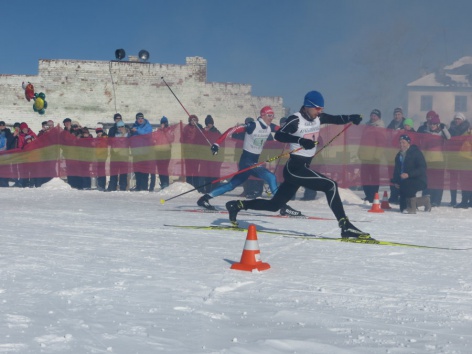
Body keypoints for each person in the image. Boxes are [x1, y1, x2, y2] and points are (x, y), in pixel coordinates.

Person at [225, 91, 369, 238]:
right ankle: (345, 226)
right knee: (330, 185)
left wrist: (352, 117)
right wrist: (300, 141)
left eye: (322, 109)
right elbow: (280, 135)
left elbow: (337, 119)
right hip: (294, 168)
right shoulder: (296, 119)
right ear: (307, 106)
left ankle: (236, 205)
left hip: (303, 168)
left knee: (275, 205)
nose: (320, 111)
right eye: (317, 108)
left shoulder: (318, 117)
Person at [197, 106, 301, 217]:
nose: (271, 118)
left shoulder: (269, 127)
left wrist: (301, 138)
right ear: (262, 115)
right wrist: (217, 144)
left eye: (273, 116)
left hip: (252, 161)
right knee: (271, 177)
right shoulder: (253, 125)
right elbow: (232, 129)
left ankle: (204, 199)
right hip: (247, 161)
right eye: (269, 115)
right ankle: (282, 206)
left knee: (231, 185)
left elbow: (283, 131)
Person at [391, 134, 431, 214]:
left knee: (408, 185)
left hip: (419, 179)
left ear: (408, 143)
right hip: (405, 181)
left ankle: (411, 209)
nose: (401, 145)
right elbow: (397, 170)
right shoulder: (398, 155)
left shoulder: (416, 153)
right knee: (402, 208)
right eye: (400, 142)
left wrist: (409, 174)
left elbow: (422, 168)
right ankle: (425, 200)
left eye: (404, 142)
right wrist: (395, 181)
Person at [419, 113, 451, 207]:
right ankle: (425, 199)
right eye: (431, 124)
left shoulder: (442, 133)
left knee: (438, 181)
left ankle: (436, 200)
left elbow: (449, 137)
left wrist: (443, 128)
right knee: (427, 181)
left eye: (434, 124)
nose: (432, 125)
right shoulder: (426, 133)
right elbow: (423, 146)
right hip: (428, 160)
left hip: (439, 161)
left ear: (437, 124)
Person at [358, 109, 386, 203]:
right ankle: (368, 195)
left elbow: (381, 143)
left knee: (374, 177)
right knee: (364, 177)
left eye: (375, 116)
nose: (373, 117)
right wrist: (360, 152)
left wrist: (377, 156)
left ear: (379, 117)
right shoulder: (366, 126)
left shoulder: (380, 127)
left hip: (374, 157)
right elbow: (362, 140)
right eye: (372, 115)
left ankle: (374, 196)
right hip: (365, 156)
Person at [447, 112, 470, 206]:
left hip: (464, 158)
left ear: (463, 120)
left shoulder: (468, 129)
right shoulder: (451, 129)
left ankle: (465, 200)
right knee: (453, 180)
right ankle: (453, 200)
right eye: (456, 119)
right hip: (453, 157)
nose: (457, 121)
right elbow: (446, 139)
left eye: (459, 119)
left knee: (464, 180)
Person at [180, 114, 206, 190]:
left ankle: (196, 187)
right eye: (192, 120)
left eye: (194, 120)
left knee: (195, 170)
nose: (193, 122)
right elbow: (182, 139)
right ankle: (189, 186)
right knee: (188, 170)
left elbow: (203, 138)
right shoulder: (186, 128)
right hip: (188, 152)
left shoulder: (199, 128)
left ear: (197, 121)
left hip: (196, 152)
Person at [386, 108, 406, 204]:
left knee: (401, 175)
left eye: (398, 114)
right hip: (391, 154)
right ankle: (393, 195)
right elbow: (385, 138)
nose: (397, 116)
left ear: (402, 115)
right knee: (392, 175)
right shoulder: (390, 126)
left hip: (402, 154)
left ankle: (402, 195)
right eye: (395, 114)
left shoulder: (406, 125)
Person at [150, 116, 175, 191]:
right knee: (160, 169)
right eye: (163, 123)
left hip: (166, 152)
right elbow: (153, 138)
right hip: (158, 152)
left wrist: (165, 131)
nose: (164, 124)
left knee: (164, 168)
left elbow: (171, 139)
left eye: (165, 123)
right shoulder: (158, 131)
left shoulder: (170, 131)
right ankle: (162, 182)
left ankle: (165, 183)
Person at [130, 112, 153, 191]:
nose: (140, 120)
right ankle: (138, 186)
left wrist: (137, 130)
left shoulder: (147, 126)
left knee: (145, 171)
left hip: (145, 152)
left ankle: (144, 187)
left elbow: (146, 134)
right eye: (138, 118)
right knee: (137, 170)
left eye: (141, 118)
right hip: (136, 152)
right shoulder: (134, 126)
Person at [107, 120, 131, 191]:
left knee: (123, 173)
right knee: (114, 172)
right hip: (115, 156)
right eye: (119, 127)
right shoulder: (115, 135)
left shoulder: (128, 135)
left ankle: (123, 187)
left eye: (122, 127)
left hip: (124, 156)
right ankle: (112, 187)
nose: (120, 128)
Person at [94, 127, 108, 191]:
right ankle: (99, 184)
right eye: (98, 132)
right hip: (98, 156)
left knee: (101, 171)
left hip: (102, 156)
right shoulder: (98, 139)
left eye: (100, 132)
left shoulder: (104, 138)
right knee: (99, 171)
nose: (99, 133)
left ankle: (102, 185)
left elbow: (103, 146)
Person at [0, 121, 13, 187]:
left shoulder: (7, 132)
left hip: (5, 153)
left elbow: (8, 142)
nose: (1, 127)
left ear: (4, 126)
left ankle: (4, 182)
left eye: (2, 125)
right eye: (0, 125)